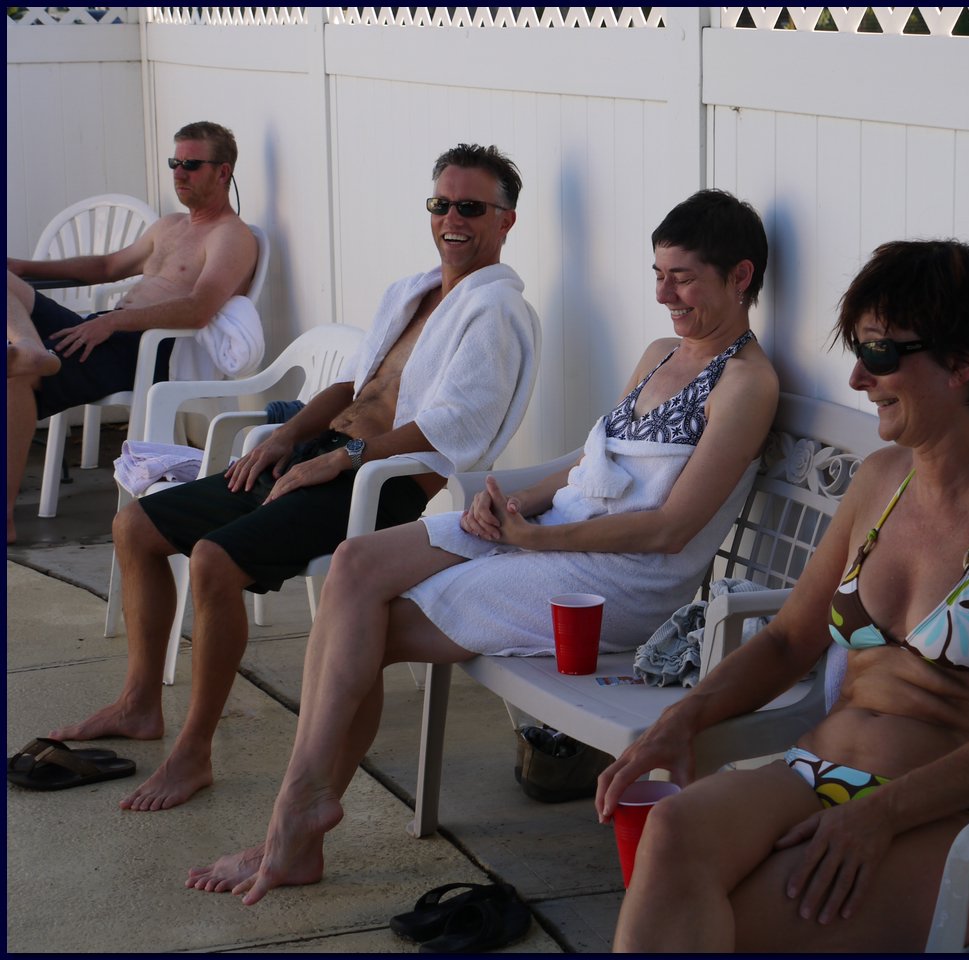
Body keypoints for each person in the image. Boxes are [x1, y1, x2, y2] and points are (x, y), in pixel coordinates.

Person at [184, 188, 779, 905]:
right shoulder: (660, 354)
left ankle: (296, 823)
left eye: (682, 278)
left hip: (615, 580)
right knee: (355, 563)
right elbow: (590, 463)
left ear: (739, 276)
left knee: (365, 628)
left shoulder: (745, 385)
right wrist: (517, 504)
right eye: (658, 274)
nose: (663, 295)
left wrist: (535, 537)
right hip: (551, 536)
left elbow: (670, 529)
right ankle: (300, 812)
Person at [595, 239, 969, 952]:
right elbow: (789, 639)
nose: (858, 377)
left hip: (959, 818)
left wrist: (882, 814)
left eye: (878, 353)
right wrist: (681, 718)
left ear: (963, 364)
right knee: (672, 831)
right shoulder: (879, 480)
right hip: (813, 771)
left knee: (738, 923)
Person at [50, 143, 542, 814]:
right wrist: (286, 436)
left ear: (505, 220)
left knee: (214, 560)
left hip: (382, 483)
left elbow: (457, 423)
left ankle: (194, 751)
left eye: (470, 208)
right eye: (441, 204)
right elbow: (354, 384)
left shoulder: (498, 311)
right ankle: (139, 705)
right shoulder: (414, 291)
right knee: (135, 526)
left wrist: (345, 458)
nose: (451, 219)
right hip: (323, 453)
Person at [7, 120, 259, 544]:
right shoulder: (170, 226)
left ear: (223, 172)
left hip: (138, 348)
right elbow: (107, 266)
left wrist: (112, 322)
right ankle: (29, 346)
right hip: (105, 328)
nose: (179, 173)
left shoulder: (231, 237)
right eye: (174, 163)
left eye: (191, 165)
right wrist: (22, 267)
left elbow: (199, 308)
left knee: (16, 376)